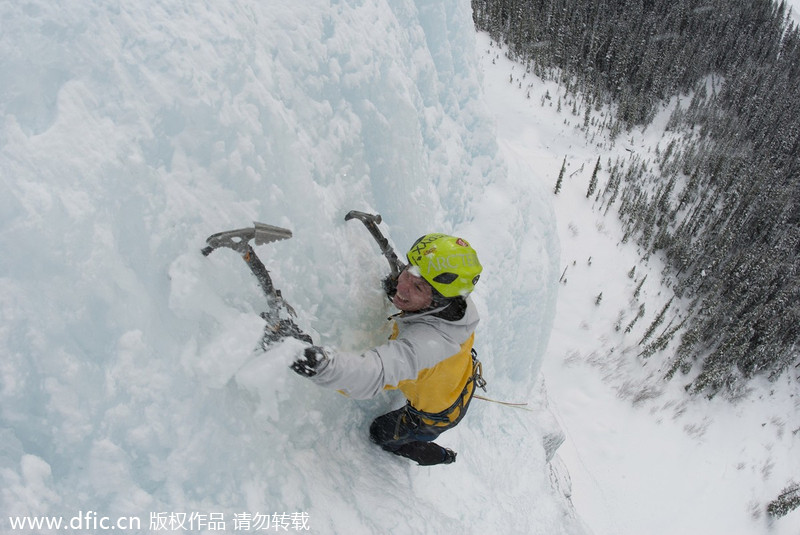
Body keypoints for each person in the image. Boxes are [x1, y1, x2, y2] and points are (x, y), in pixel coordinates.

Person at [290, 233, 485, 466]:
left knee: (381, 433)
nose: (401, 285)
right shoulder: (455, 301)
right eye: (406, 271)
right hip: (458, 379)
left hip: (437, 415)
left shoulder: (429, 345)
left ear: (438, 302)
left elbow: (374, 373)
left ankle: (443, 456)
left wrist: (309, 359)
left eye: (417, 286)